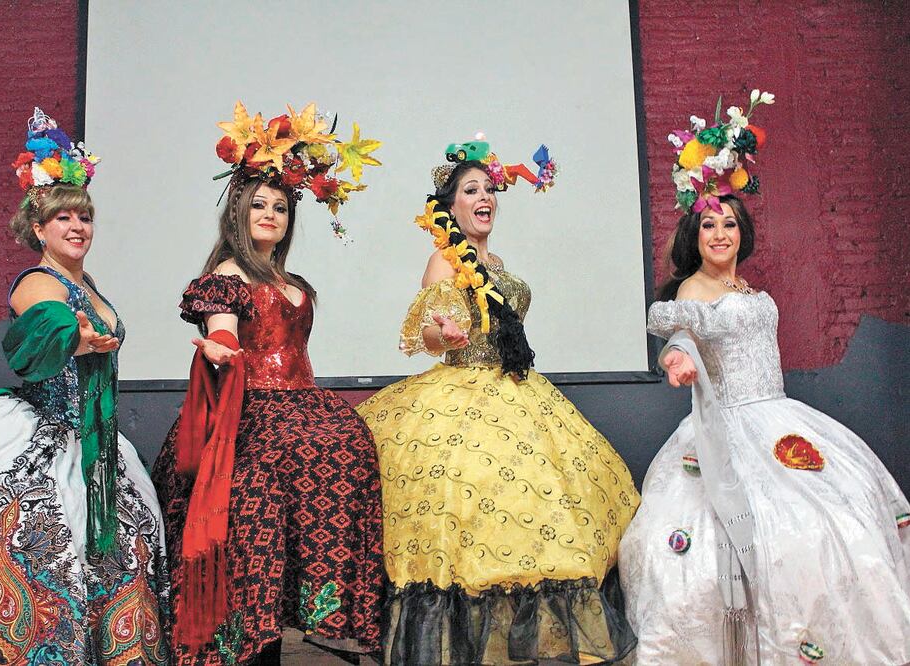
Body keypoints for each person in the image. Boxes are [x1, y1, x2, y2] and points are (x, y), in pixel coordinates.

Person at [618, 90, 910, 664]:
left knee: (834, 519)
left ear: (741, 232)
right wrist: (677, 359)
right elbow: (681, 336)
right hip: (729, 426)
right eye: (708, 225)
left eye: (729, 224)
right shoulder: (693, 289)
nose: (719, 234)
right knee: (757, 534)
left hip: (780, 416)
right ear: (693, 236)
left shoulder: (744, 287)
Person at [356, 139, 640, 665]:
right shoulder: (444, 259)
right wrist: (446, 334)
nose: (484, 197)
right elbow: (427, 330)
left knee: (531, 511)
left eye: (489, 189)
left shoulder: (498, 262)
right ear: (450, 205)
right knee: (469, 511)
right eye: (471, 190)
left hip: (518, 390)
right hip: (462, 394)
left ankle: (521, 638)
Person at [0, 107, 168, 664]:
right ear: (39, 229)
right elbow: (43, 326)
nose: (78, 227)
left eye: (85, 217)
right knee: (34, 540)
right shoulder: (36, 281)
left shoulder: (89, 283)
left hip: (97, 438)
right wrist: (76, 337)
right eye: (64, 218)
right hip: (42, 434)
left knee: (121, 550)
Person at [150, 101, 385, 665]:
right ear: (238, 211)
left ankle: (322, 615)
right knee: (258, 512)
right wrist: (220, 348)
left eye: (280, 207)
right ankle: (253, 639)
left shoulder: (292, 279)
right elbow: (224, 330)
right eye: (258, 204)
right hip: (251, 413)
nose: (270, 214)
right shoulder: (227, 275)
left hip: (303, 405)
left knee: (350, 447)